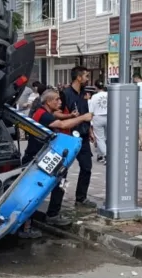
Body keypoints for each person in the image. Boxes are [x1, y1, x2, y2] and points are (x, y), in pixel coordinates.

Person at [19, 89, 93, 236]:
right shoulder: (43, 115)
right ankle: (27, 227)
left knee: (60, 182)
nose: (60, 102)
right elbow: (63, 125)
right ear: (48, 102)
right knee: (32, 193)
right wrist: (83, 118)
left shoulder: (43, 112)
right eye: (57, 100)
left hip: (44, 156)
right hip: (37, 158)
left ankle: (52, 214)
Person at [61, 66, 97, 209]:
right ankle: (57, 199)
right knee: (62, 170)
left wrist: (90, 131)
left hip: (83, 136)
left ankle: (81, 198)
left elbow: (86, 113)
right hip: (68, 137)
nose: (88, 79)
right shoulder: (65, 94)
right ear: (78, 77)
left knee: (87, 167)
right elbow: (59, 114)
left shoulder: (83, 94)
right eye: (86, 76)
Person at [90, 82, 109, 163]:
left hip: (97, 117)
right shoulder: (109, 94)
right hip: (109, 116)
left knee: (100, 138)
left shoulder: (94, 96)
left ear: (96, 87)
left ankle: (105, 154)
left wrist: (91, 121)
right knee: (107, 137)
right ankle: (102, 154)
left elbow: (91, 110)